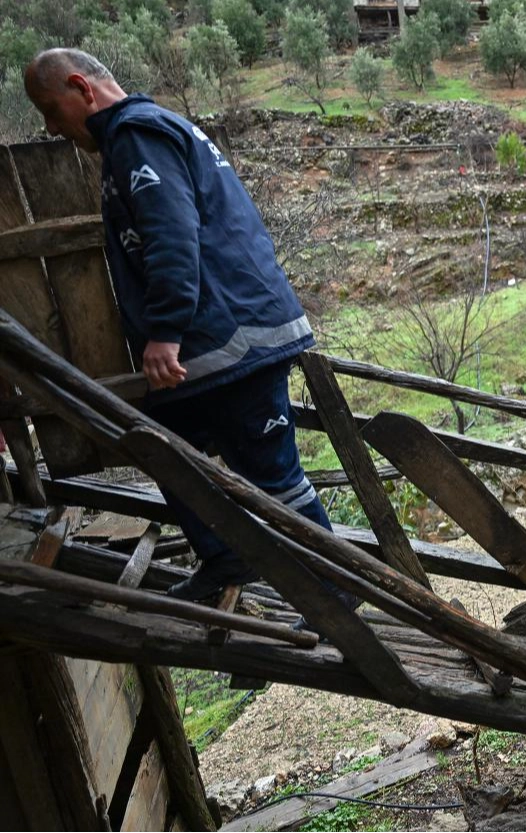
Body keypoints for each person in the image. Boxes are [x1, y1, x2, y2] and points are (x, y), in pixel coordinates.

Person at [24, 49, 344, 618]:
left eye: (51, 109)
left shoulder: (136, 135)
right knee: (166, 446)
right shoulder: (151, 129)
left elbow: (171, 233)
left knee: (272, 475)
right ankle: (226, 558)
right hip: (225, 335)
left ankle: (339, 596)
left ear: (81, 87)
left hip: (232, 337)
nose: (51, 127)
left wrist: (165, 331)